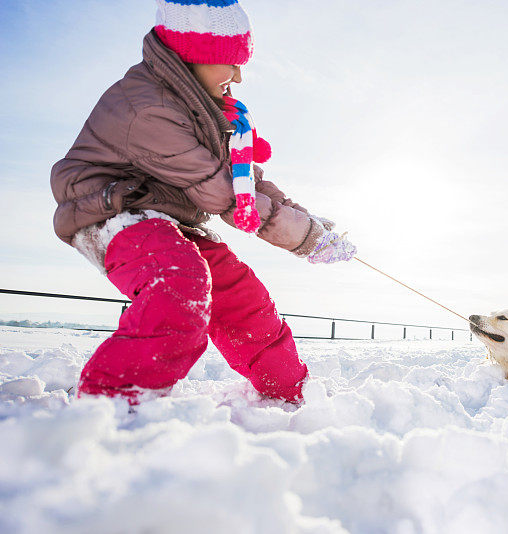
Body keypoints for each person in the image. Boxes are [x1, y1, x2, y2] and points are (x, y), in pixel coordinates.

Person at [50, 0, 356, 405]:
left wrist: (307, 222)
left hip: (164, 216)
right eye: (230, 62)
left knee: (239, 292)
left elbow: (247, 179)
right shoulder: (149, 107)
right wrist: (305, 239)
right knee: (180, 282)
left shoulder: (204, 106)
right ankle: (111, 402)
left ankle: (290, 392)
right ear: (194, 56)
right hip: (112, 211)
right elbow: (227, 195)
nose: (239, 76)